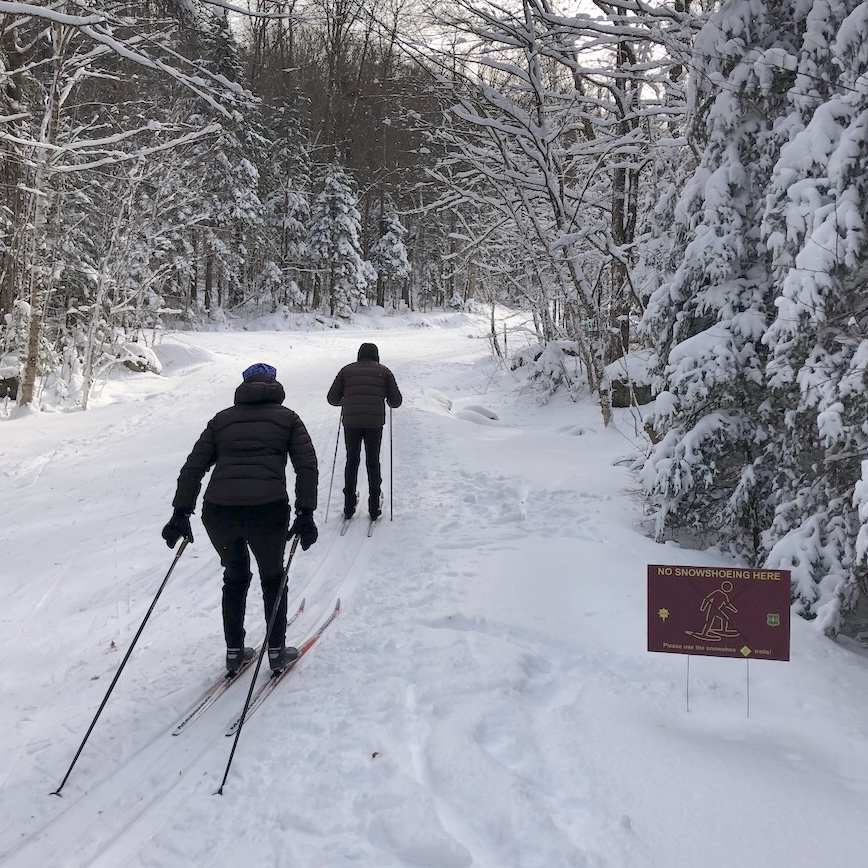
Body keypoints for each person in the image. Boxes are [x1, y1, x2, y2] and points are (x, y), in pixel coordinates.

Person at [161, 362, 319, 675]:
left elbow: (193, 467)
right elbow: (307, 466)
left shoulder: (221, 420)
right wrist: (305, 513)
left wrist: (180, 513)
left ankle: (234, 652)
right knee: (273, 578)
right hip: (267, 509)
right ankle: (276, 652)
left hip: (219, 511)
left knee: (234, 577)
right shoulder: (288, 419)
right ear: (275, 386)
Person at [327, 342, 402, 521]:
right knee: (373, 461)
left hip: (351, 422)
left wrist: (347, 402)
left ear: (359, 355)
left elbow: (332, 398)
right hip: (374, 424)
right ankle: (374, 506)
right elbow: (396, 401)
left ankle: (349, 505)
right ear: (376, 355)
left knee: (352, 461)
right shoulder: (385, 372)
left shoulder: (346, 371)